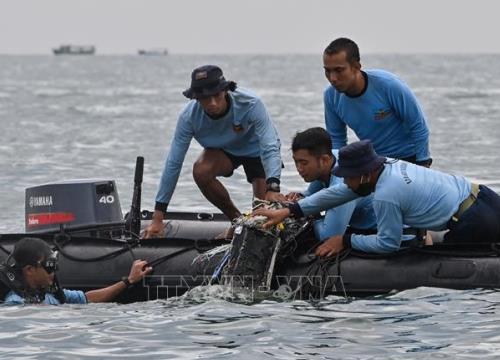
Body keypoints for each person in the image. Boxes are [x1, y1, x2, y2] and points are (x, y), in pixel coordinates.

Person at [255, 140, 500, 256]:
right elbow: (341, 192)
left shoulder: (386, 195)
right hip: (484, 195)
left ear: (364, 174)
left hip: (473, 221)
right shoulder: (388, 165)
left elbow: (388, 244)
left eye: (348, 176)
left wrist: (346, 240)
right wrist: (290, 210)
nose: (346, 182)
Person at [144, 65, 284, 238]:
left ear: (225, 91)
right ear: (195, 98)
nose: (212, 103)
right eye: (204, 98)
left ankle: (252, 222)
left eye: (216, 96)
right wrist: (158, 218)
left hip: (258, 151)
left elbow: (270, 145)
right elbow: (173, 163)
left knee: (262, 218)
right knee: (201, 170)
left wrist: (273, 186)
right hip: (225, 151)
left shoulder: (251, 103)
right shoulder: (188, 118)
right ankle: (237, 221)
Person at [323, 37, 432, 167]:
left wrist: (423, 165)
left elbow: (418, 126)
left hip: (411, 158)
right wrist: (338, 174)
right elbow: (337, 140)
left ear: (356, 67)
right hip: (376, 163)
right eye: (327, 71)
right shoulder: (330, 96)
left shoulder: (389, 85)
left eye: (339, 70)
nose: (332, 78)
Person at [288, 127, 376, 247]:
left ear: (324, 160)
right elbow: (310, 194)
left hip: (378, 231)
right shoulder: (332, 157)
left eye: (304, 163)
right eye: (296, 162)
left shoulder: (344, 183)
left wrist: (314, 215)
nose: (299, 169)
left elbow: (327, 237)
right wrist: (299, 196)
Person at [0, 237, 152, 305]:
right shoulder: (15, 303)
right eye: (48, 266)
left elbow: (87, 298)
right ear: (30, 270)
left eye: (54, 264)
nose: (54, 271)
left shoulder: (48, 293)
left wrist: (128, 281)